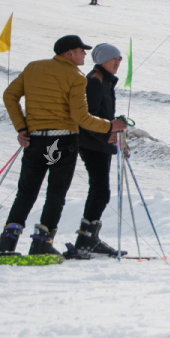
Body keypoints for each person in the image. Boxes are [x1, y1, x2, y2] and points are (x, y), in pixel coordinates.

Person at [0, 35, 128, 257]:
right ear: (69, 52)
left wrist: (21, 128)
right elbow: (80, 117)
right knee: (55, 194)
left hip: (35, 141)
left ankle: (7, 243)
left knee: (26, 193)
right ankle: (41, 243)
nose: (85, 54)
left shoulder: (33, 67)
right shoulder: (77, 76)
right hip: (62, 142)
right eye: (81, 50)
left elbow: (9, 96)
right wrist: (109, 126)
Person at [75, 43, 124, 256]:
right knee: (100, 191)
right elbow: (88, 117)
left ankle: (88, 237)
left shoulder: (104, 80)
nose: (117, 63)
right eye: (114, 58)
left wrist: (113, 130)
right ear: (101, 59)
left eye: (120, 59)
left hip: (99, 142)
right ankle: (87, 239)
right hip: (92, 143)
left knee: (99, 190)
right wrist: (108, 133)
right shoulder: (95, 81)